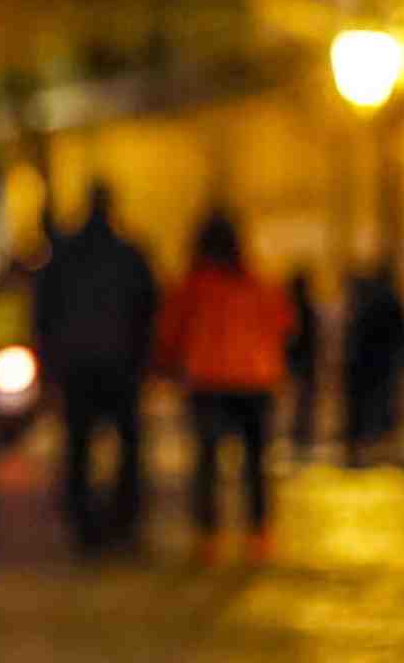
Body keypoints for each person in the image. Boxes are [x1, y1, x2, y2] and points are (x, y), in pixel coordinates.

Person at [155, 212, 293, 564]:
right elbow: (285, 322)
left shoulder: (193, 285)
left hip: (209, 380)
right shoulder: (258, 281)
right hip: (256, 381)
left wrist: (167, 366)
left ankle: (208, 537)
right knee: (256, 463)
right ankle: (259, 535)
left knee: (207, 462)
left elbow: (170, 331)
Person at [32, 182, 157, 557]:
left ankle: (84, 522)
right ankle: (124, 519)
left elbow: (45, 312)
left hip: (78, 367)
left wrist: (52, 361)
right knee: (128, 446)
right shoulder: (130, 255)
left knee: (79, 446)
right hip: (120, 365)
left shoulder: (66, 256)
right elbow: (148, 309)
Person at [342, 257, 404, 468]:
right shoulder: (389, 300)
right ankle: (376, 438)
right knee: (381, 401)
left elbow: (356, 334)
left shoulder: (364, 302)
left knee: (363, 404)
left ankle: (361, 442)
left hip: (364, 361)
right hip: (382, 361)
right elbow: (401, 330)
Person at [285, 270, 320, 458]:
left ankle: (299, 432)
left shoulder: (291, 307)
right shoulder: (306, 307)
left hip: (296, 361)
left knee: (299, 400)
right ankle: (301, 432)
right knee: (304, 400)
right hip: (305, 361)